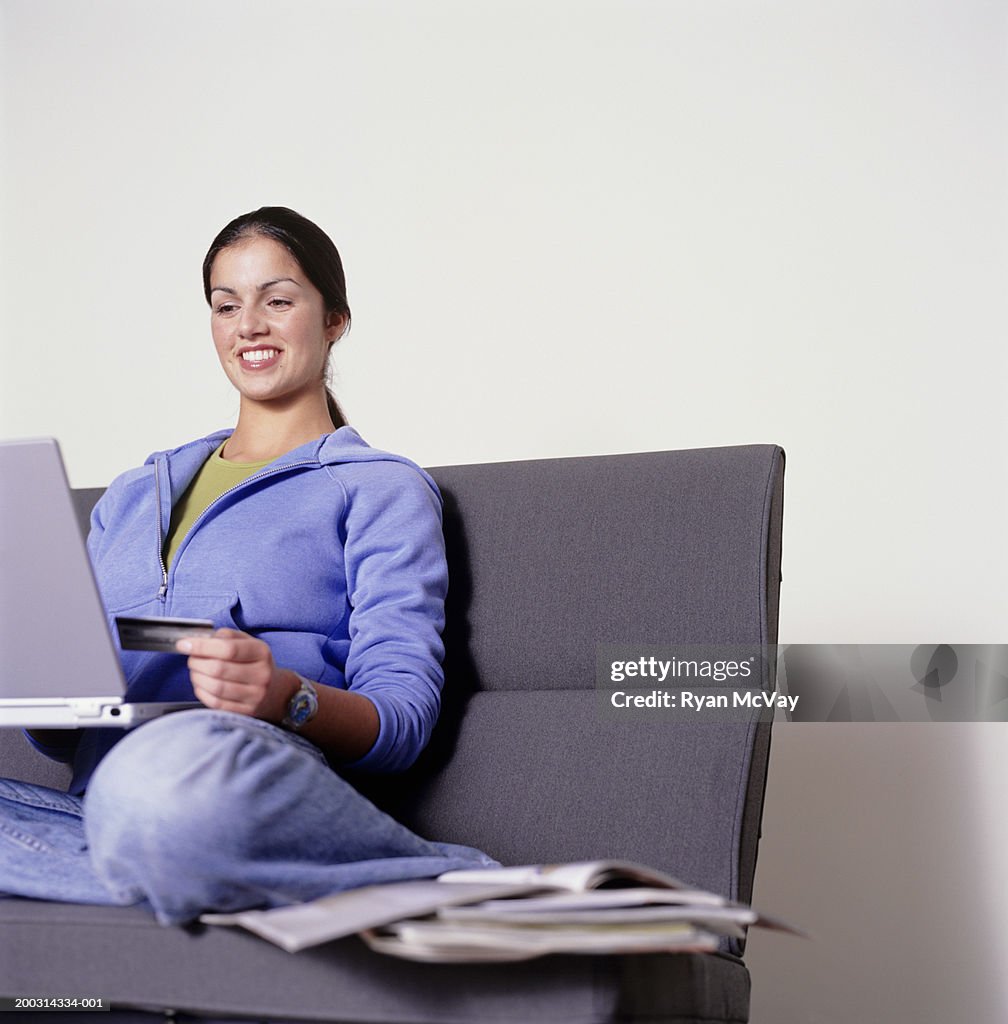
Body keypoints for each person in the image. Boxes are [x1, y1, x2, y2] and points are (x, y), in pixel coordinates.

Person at [1, 207, 496, 925]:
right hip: (101, 800)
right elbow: (63, 734)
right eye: (226, 305)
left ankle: (426, 874)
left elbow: (403, 720)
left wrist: (286, 695)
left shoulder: (380, 487)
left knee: (153, 794)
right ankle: (182, 874)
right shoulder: (135, 494)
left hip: (225, 771)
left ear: (334, 320)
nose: (248, 326)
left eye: (278, 300)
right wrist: (43, 688)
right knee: (132, 804)